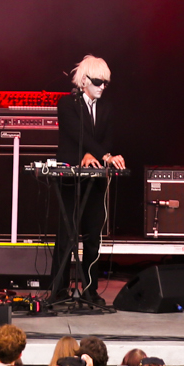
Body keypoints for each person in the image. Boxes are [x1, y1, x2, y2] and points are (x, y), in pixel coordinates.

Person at [50, 56, 122, 300]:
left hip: (95, 180)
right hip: (69, 177)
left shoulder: (108, 108)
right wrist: (105, 155)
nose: (102, 87)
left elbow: (108, 137)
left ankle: (90, 290)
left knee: (93, 237)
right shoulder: (67, 104)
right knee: (66, 236)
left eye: (105, 83)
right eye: (98, 82)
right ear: (84, 81)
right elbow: (76, 133)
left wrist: (96, 154)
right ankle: (59, 290)